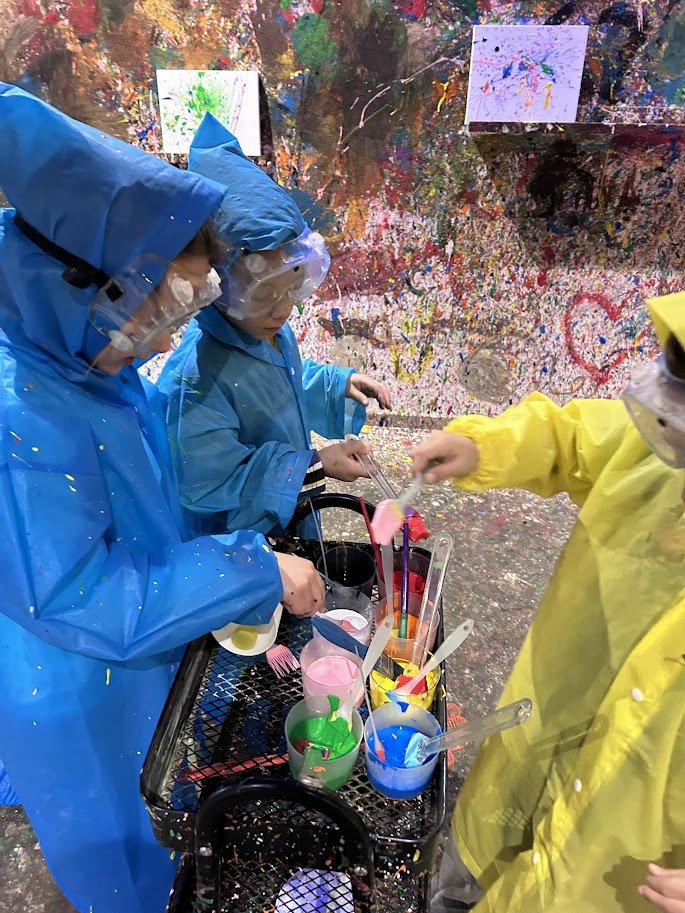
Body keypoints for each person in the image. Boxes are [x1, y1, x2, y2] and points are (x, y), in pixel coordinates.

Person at [0, 83, 323, 913]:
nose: (169, 337)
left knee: (165, 811)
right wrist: (250, 567)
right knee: (128, 861)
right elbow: (80, 593)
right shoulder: (20, 417)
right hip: (79, 680)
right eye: (162, 309)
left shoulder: (74, 353)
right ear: (86, 284)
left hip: (133, 637)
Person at [412, 292, 685, 913]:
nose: (668, 424)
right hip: (536, 740)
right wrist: (487, 447)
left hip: (618, 866)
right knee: (471, 867)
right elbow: (577, 434)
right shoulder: (663, 448)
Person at [158, 114, 392, 539]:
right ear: (217, 287)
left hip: (290, 517)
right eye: (263, 294)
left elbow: (278, 386)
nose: (283, 310)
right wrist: (316, 463)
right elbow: (209, 485)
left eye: (292, 288)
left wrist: (336, 383)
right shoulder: (193, 382)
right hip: (237, 549)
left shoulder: (264, 331)